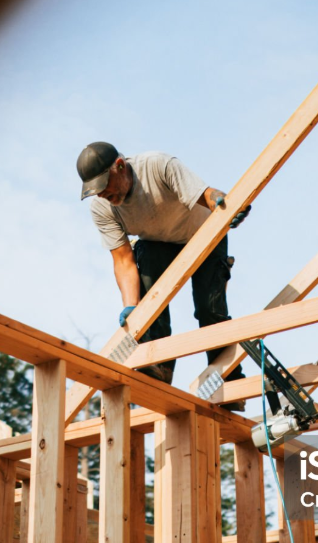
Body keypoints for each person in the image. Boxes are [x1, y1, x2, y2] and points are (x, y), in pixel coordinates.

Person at [78, 141, 250, 402]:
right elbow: (123, 259)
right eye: (95, 191)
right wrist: (131, 307)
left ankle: (227, 381)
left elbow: (207, 195)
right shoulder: (102, 207)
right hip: (158, 244)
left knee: (208, 309)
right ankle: (157, 365)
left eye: (105, 186)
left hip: (203, 235)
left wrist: (224, 205)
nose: (103, 195)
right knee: (145, 270)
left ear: (120, 167)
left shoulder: (158, 166)